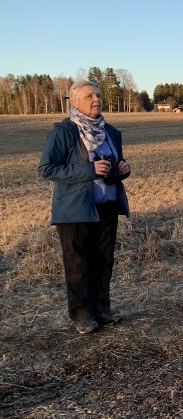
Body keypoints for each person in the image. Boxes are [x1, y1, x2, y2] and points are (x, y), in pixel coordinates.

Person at [38, 80, 131, 334]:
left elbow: (115, 164)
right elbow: (47, 169)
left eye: (99, 95)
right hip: (75, 209)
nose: (96, 100)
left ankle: (102, 309)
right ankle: (82, 314)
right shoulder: (64, 132)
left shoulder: (111, 132)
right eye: (89, 96)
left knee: (104, 260)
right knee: (78, 263)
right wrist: (88, 170)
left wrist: (123, 169)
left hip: (107, 206)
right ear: (75, 101)